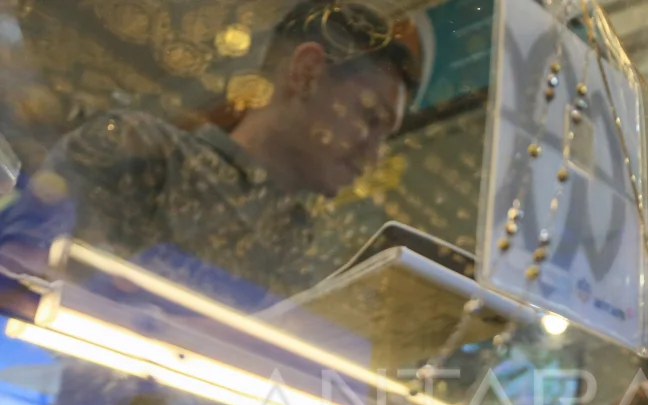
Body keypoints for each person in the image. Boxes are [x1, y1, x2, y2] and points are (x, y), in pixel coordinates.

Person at [0, 0, 418, 306]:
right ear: (306, 74)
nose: (374, 155)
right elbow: (19, 278)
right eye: (371, 118)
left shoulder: (312, 251)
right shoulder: (140, 150)